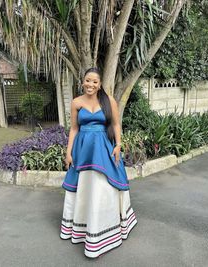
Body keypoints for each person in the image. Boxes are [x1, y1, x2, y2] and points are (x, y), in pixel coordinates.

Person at [60, 67, 137, 258]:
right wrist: (69, 152)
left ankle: (104, 226)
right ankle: (81, 227)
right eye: (88, 80)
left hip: (104, 147)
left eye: (95, 81)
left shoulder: (108, 100)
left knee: (103, 186)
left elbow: (116, 124)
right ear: (83, 81)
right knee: (84, 187)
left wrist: (118, 145)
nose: (91, 84)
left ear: (99, 84)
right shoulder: (76, 102)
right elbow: (74, 129)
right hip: (83, 149)